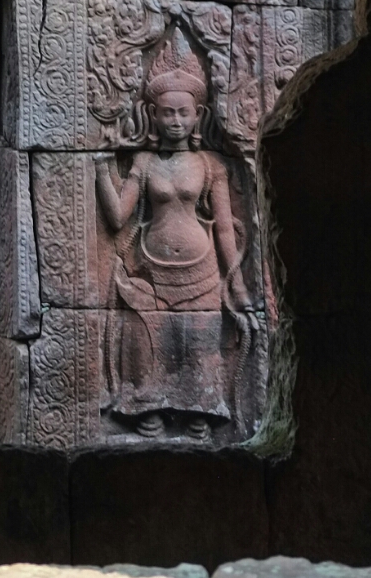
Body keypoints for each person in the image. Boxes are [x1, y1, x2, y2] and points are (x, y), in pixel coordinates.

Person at [94, 61, 253, 440]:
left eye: (184, 113)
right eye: (168, 113)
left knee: (198, 341)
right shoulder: (145, 162)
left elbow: (226, 228)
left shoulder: (209, 163)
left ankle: (199, 410)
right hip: (151, 269)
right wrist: (101, 168)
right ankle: (148, 405)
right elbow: (118, 217)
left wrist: (239, 286)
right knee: (147, 337)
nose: (176, 121)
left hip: (203, 272)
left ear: (198, 116)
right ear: (153, 114)